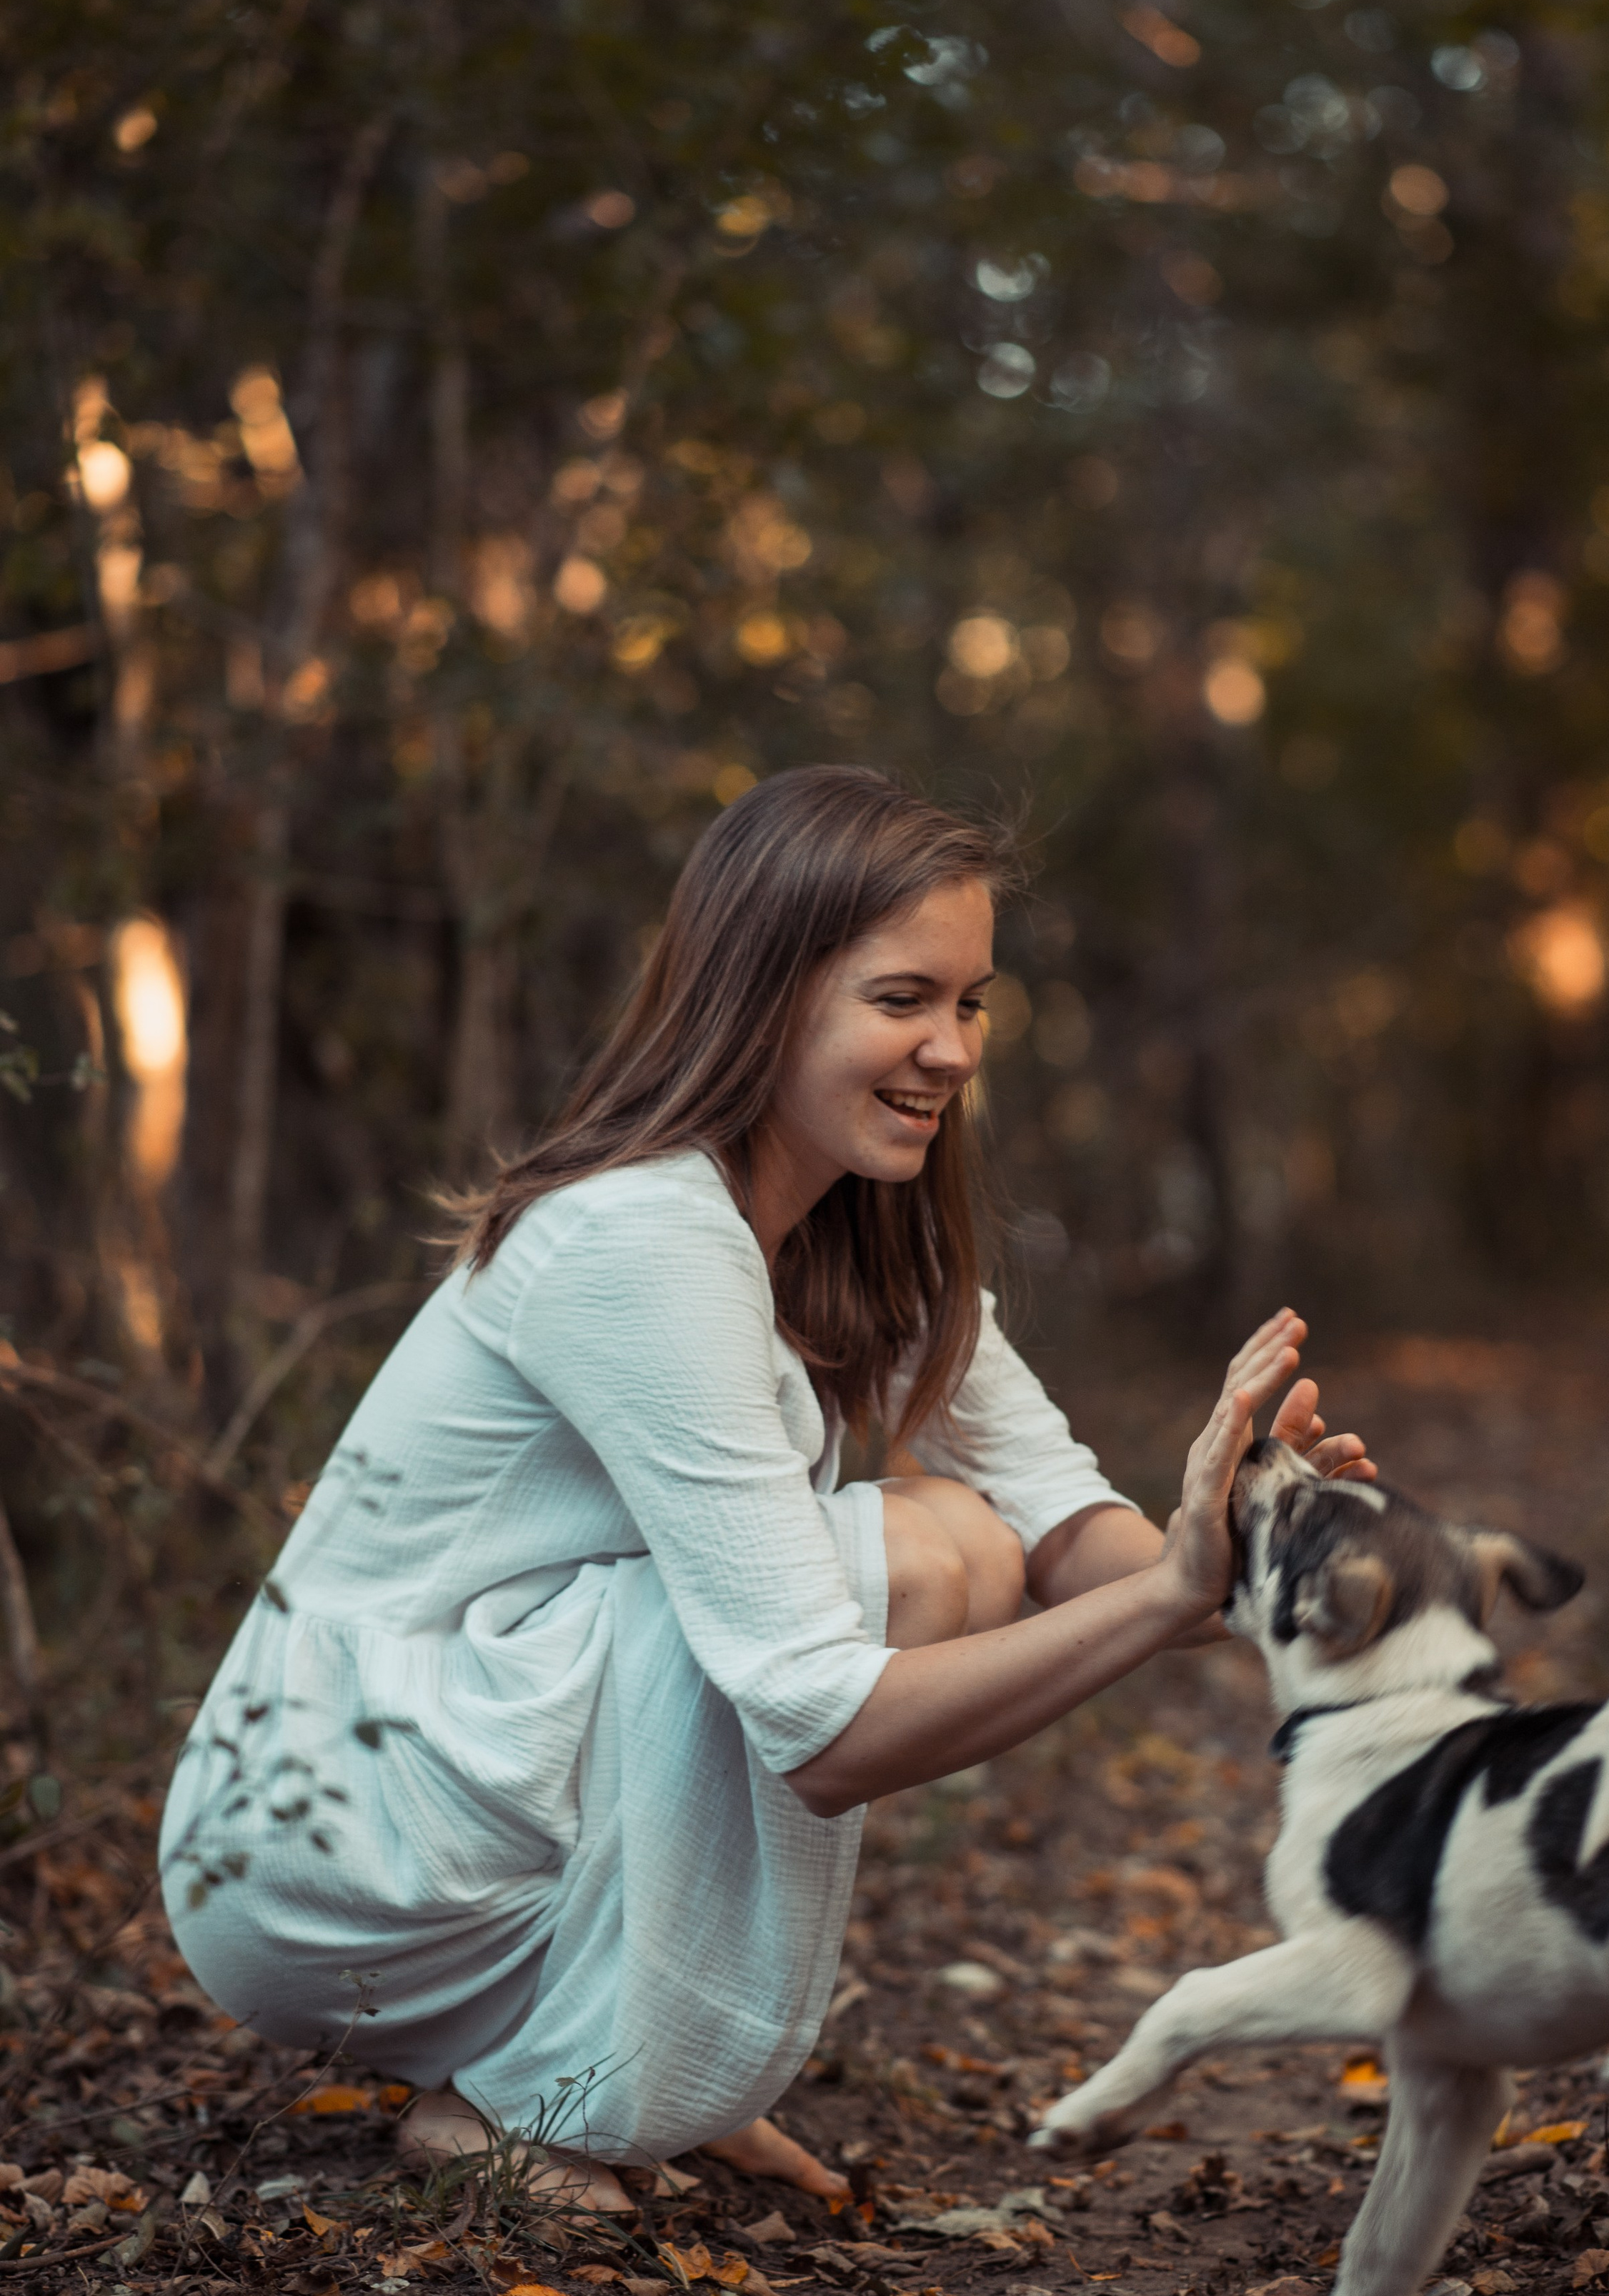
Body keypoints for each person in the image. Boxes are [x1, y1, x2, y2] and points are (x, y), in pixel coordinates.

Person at [159, 766, 1372, 2213]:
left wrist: (1257, 1557)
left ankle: (582, 2052)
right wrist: (1173, 1591)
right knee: (927, 1555)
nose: (951, 1050)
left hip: (440, 1792)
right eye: (901, 999)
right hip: (317, 1838)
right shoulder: (642, 1238)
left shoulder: (860, 1231)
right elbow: (820, 1726)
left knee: (962, 1538)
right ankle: (542, 2094)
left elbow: (1057, 1515)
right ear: (764, 993)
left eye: (971, 1002)